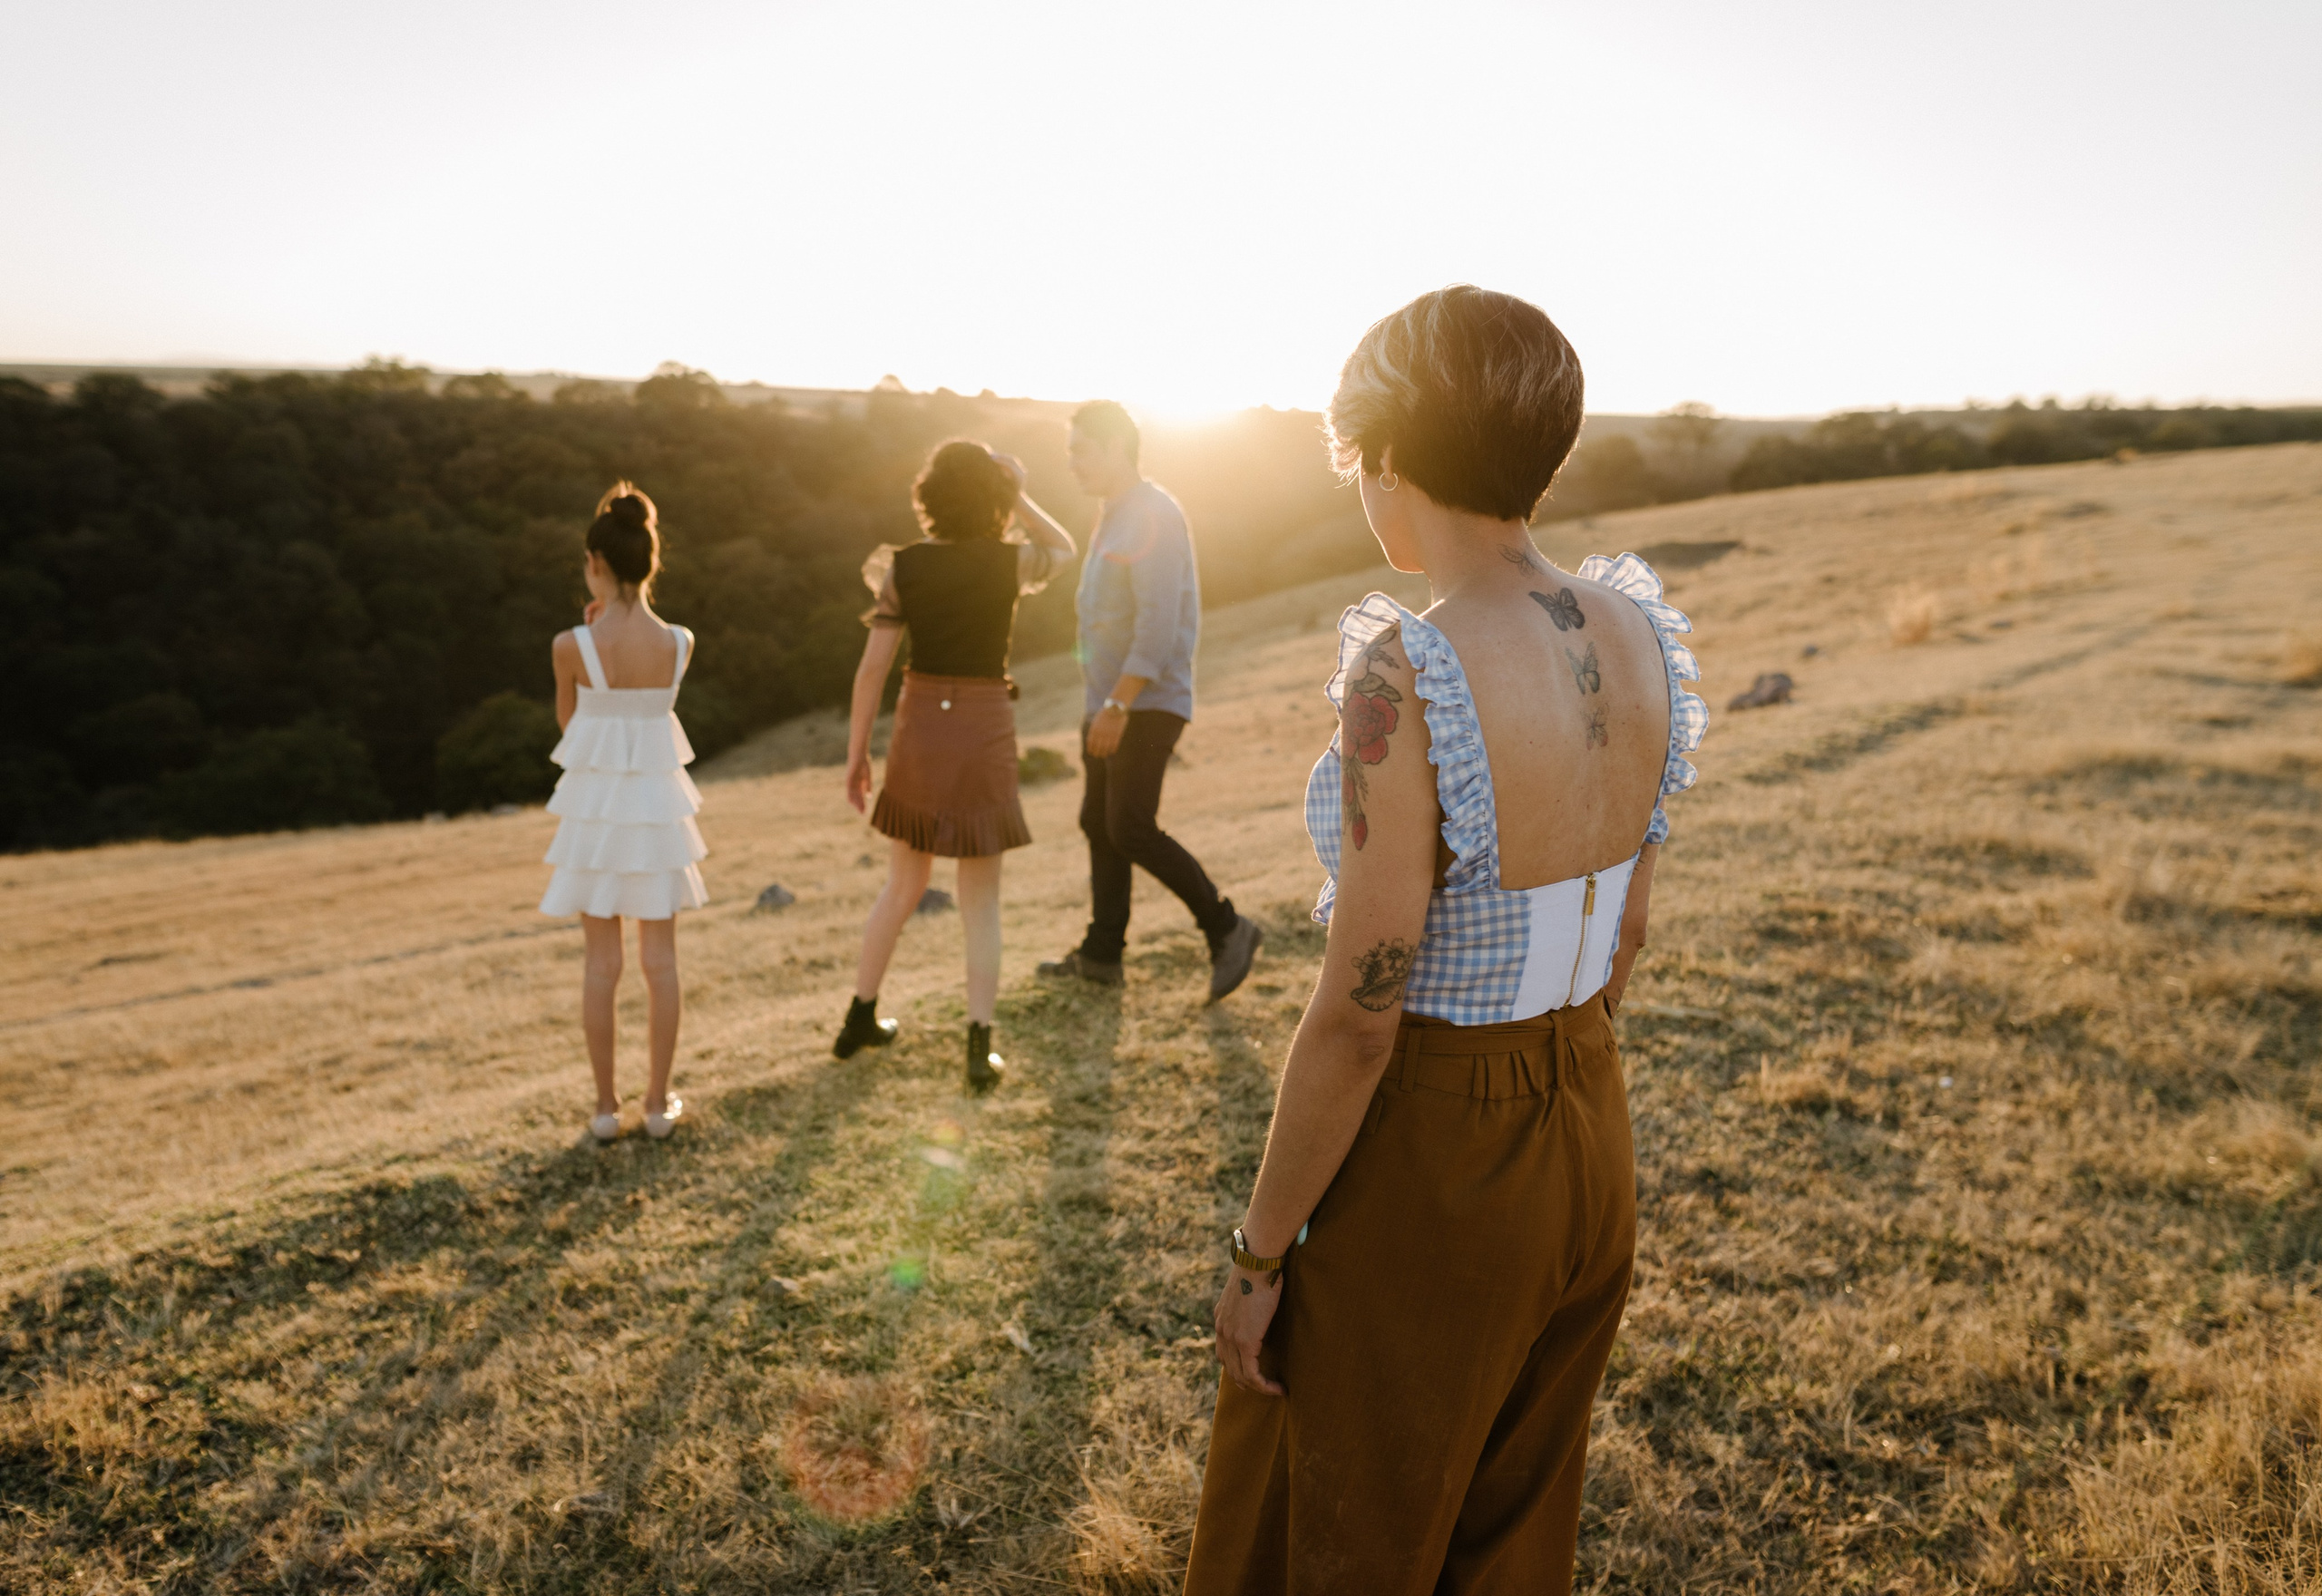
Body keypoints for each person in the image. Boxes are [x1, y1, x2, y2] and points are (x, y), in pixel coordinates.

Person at [1185, 287, 1708, 1594]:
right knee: (1510, 1532)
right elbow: (1628, 926)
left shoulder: (1407, 674)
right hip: (1591, 1122)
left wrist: (1258, 1258)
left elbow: (1362, 1016)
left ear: (1392, 461)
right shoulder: (1639, 632)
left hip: (1441, 1147)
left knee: (1341, 1532)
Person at [835, 440, 1078, 1090]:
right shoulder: (1012, 562)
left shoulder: (903, 567)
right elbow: (1065, 548)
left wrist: (858, 755)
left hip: (920, 722)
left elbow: (871, 671)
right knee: (982, 900)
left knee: (902, 886)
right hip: (984, 725)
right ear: (992, 497)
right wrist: (1019, 490)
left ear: (930, 495)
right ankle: (978, 1046)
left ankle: (859, 1016)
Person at [1034, 400, 1262, 1002]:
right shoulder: (1112, 515)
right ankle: (1102, 954)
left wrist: (1117, 705)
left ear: (1114, 448)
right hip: (1108, 703)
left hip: (1144, 702)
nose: (1073, 465)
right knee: (1098, 823)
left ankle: (1228, 928)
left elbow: (1159, 623)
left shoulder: (1152, 513)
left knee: (1129, 826)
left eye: (1080, 451)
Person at [540, 483, 707, 1143]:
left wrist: (591, 626)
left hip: (597, 815)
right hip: (657, 815)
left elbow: (568, 726)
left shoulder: (568, 644)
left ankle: (606, 1110)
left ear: (596, 563)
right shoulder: (681, 642)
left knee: (600, 966)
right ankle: (659, 1106)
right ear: (651, 561)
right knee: (660, 963)